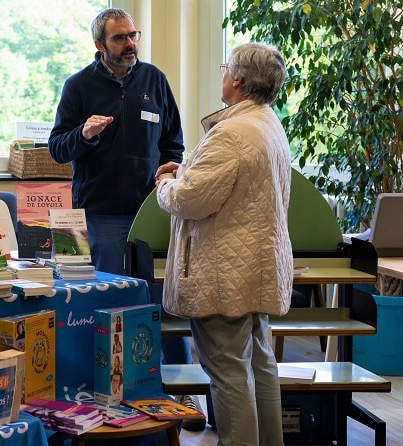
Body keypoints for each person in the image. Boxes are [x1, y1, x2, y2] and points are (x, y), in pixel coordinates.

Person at [48, 7, 203, 432]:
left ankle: (176, 391)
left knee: (160, 304)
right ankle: (113, 395)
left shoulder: (153, 80)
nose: (130, 44)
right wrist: (83, 134)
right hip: (100, 215)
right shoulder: (78, 86)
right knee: (109, 304)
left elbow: (174, 138)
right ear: (99, 45)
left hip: (152, 212)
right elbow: (57, 148)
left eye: (133, 35)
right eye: (119, 38)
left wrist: (171, 166)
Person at [156, 42, 293, 445]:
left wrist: (167, 183)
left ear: (237, 79)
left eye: (224, 69)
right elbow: (237, 182)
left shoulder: (232, 132)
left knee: (229, 373)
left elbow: (189, 200)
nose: (222, 75)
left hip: (224, 274)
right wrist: (189, 169)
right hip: (257, 267)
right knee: (260, 366)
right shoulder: (266, 121)